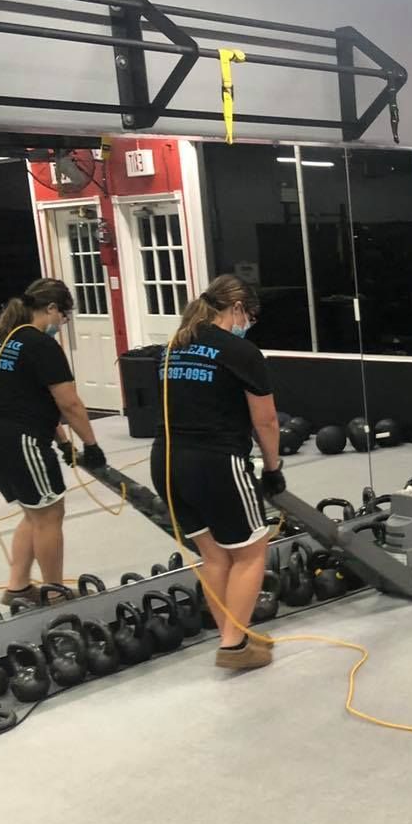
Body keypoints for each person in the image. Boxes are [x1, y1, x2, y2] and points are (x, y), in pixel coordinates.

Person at [151, 274, 284, 673]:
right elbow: (267, 422)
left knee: (214, 555)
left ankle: (232, 631)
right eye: (250, 315)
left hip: (167, 462)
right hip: (217, 464)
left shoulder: (172, 347)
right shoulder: (241, 352)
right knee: (251, 551)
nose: (250, 323)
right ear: (238, 308)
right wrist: (273, 470)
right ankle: (233, 645)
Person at [0, 278, 106, 606]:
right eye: (64, 316)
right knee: (50, 514)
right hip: (22, 440)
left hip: (0, 436)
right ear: (52, 308)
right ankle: (55, 592)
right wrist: (91, 445)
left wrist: (62, 441)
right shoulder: (40, 344)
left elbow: (25, 395)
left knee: (34, 512)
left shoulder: (1, 338)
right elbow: (69, 403)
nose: (62, 323)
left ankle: (17, 588)